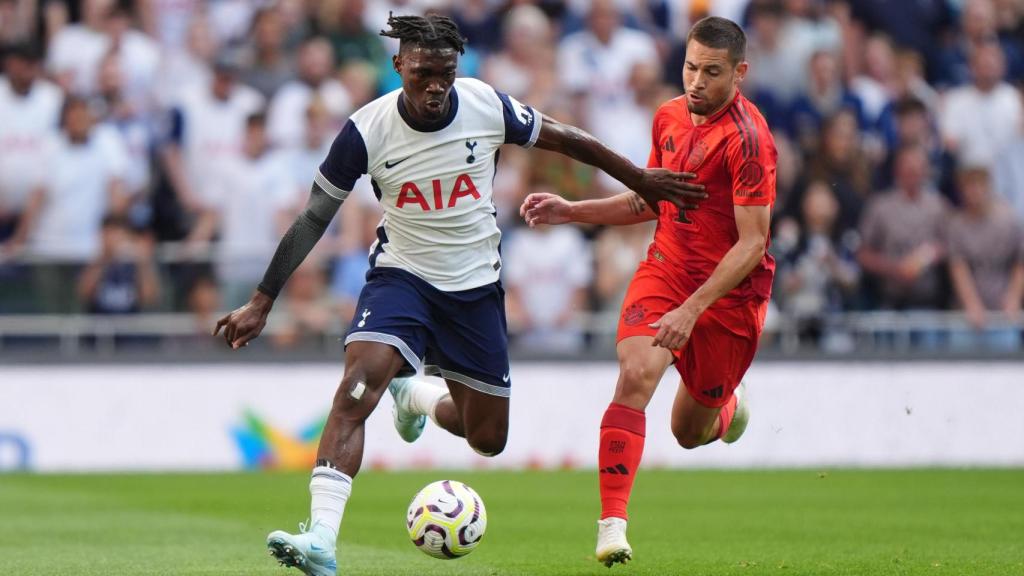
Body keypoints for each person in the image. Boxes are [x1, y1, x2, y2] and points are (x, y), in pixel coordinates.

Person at [213, 13, 703, 576]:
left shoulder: (483, 104)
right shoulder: (366, 130)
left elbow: (569, 139)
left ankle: (417, 397)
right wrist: (263, 298)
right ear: (398, 67)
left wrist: (641, 178)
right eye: (422, 73)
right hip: (402, 278)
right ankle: (321, 537)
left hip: (474, 289)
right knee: (356, 388)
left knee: (487, 438)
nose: (434, 86)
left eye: (445, 73)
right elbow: (312, 219)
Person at [521, 16, 777, 567]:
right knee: (636, 372)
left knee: (689, 432)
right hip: (666, 269)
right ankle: (612, 525)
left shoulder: (750, 142)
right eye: (690, 66)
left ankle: (726, 410)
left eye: (712, 72)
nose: (696, 81)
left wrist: (693, 308)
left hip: (728, 298)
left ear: (740, 72)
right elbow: (649, 200)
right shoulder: (667, 117)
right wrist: (572, 211)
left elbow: (753, 244)